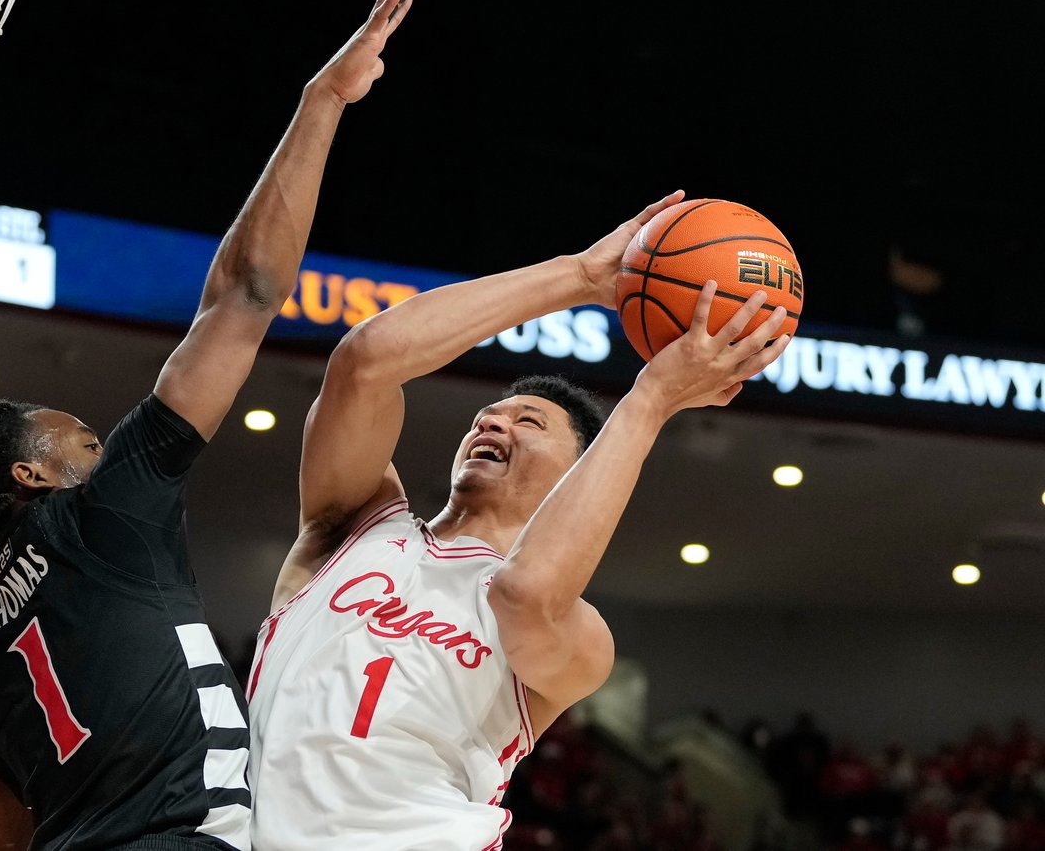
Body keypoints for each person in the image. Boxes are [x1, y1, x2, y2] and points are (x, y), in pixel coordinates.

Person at [0, 0, 419, 851]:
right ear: (31, 472)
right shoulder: (100, 513)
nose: (99, 439)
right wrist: (322, 102)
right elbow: (243, 292)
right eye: (79, 438)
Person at [245, 191, 791, 850]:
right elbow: (364, 362)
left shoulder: (582, 637)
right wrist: (579, 276)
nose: (493, 423)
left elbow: (523, 592)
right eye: (486, 419)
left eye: (528, 422)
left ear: (576, 474)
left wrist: (651, 399)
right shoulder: (354, 527)